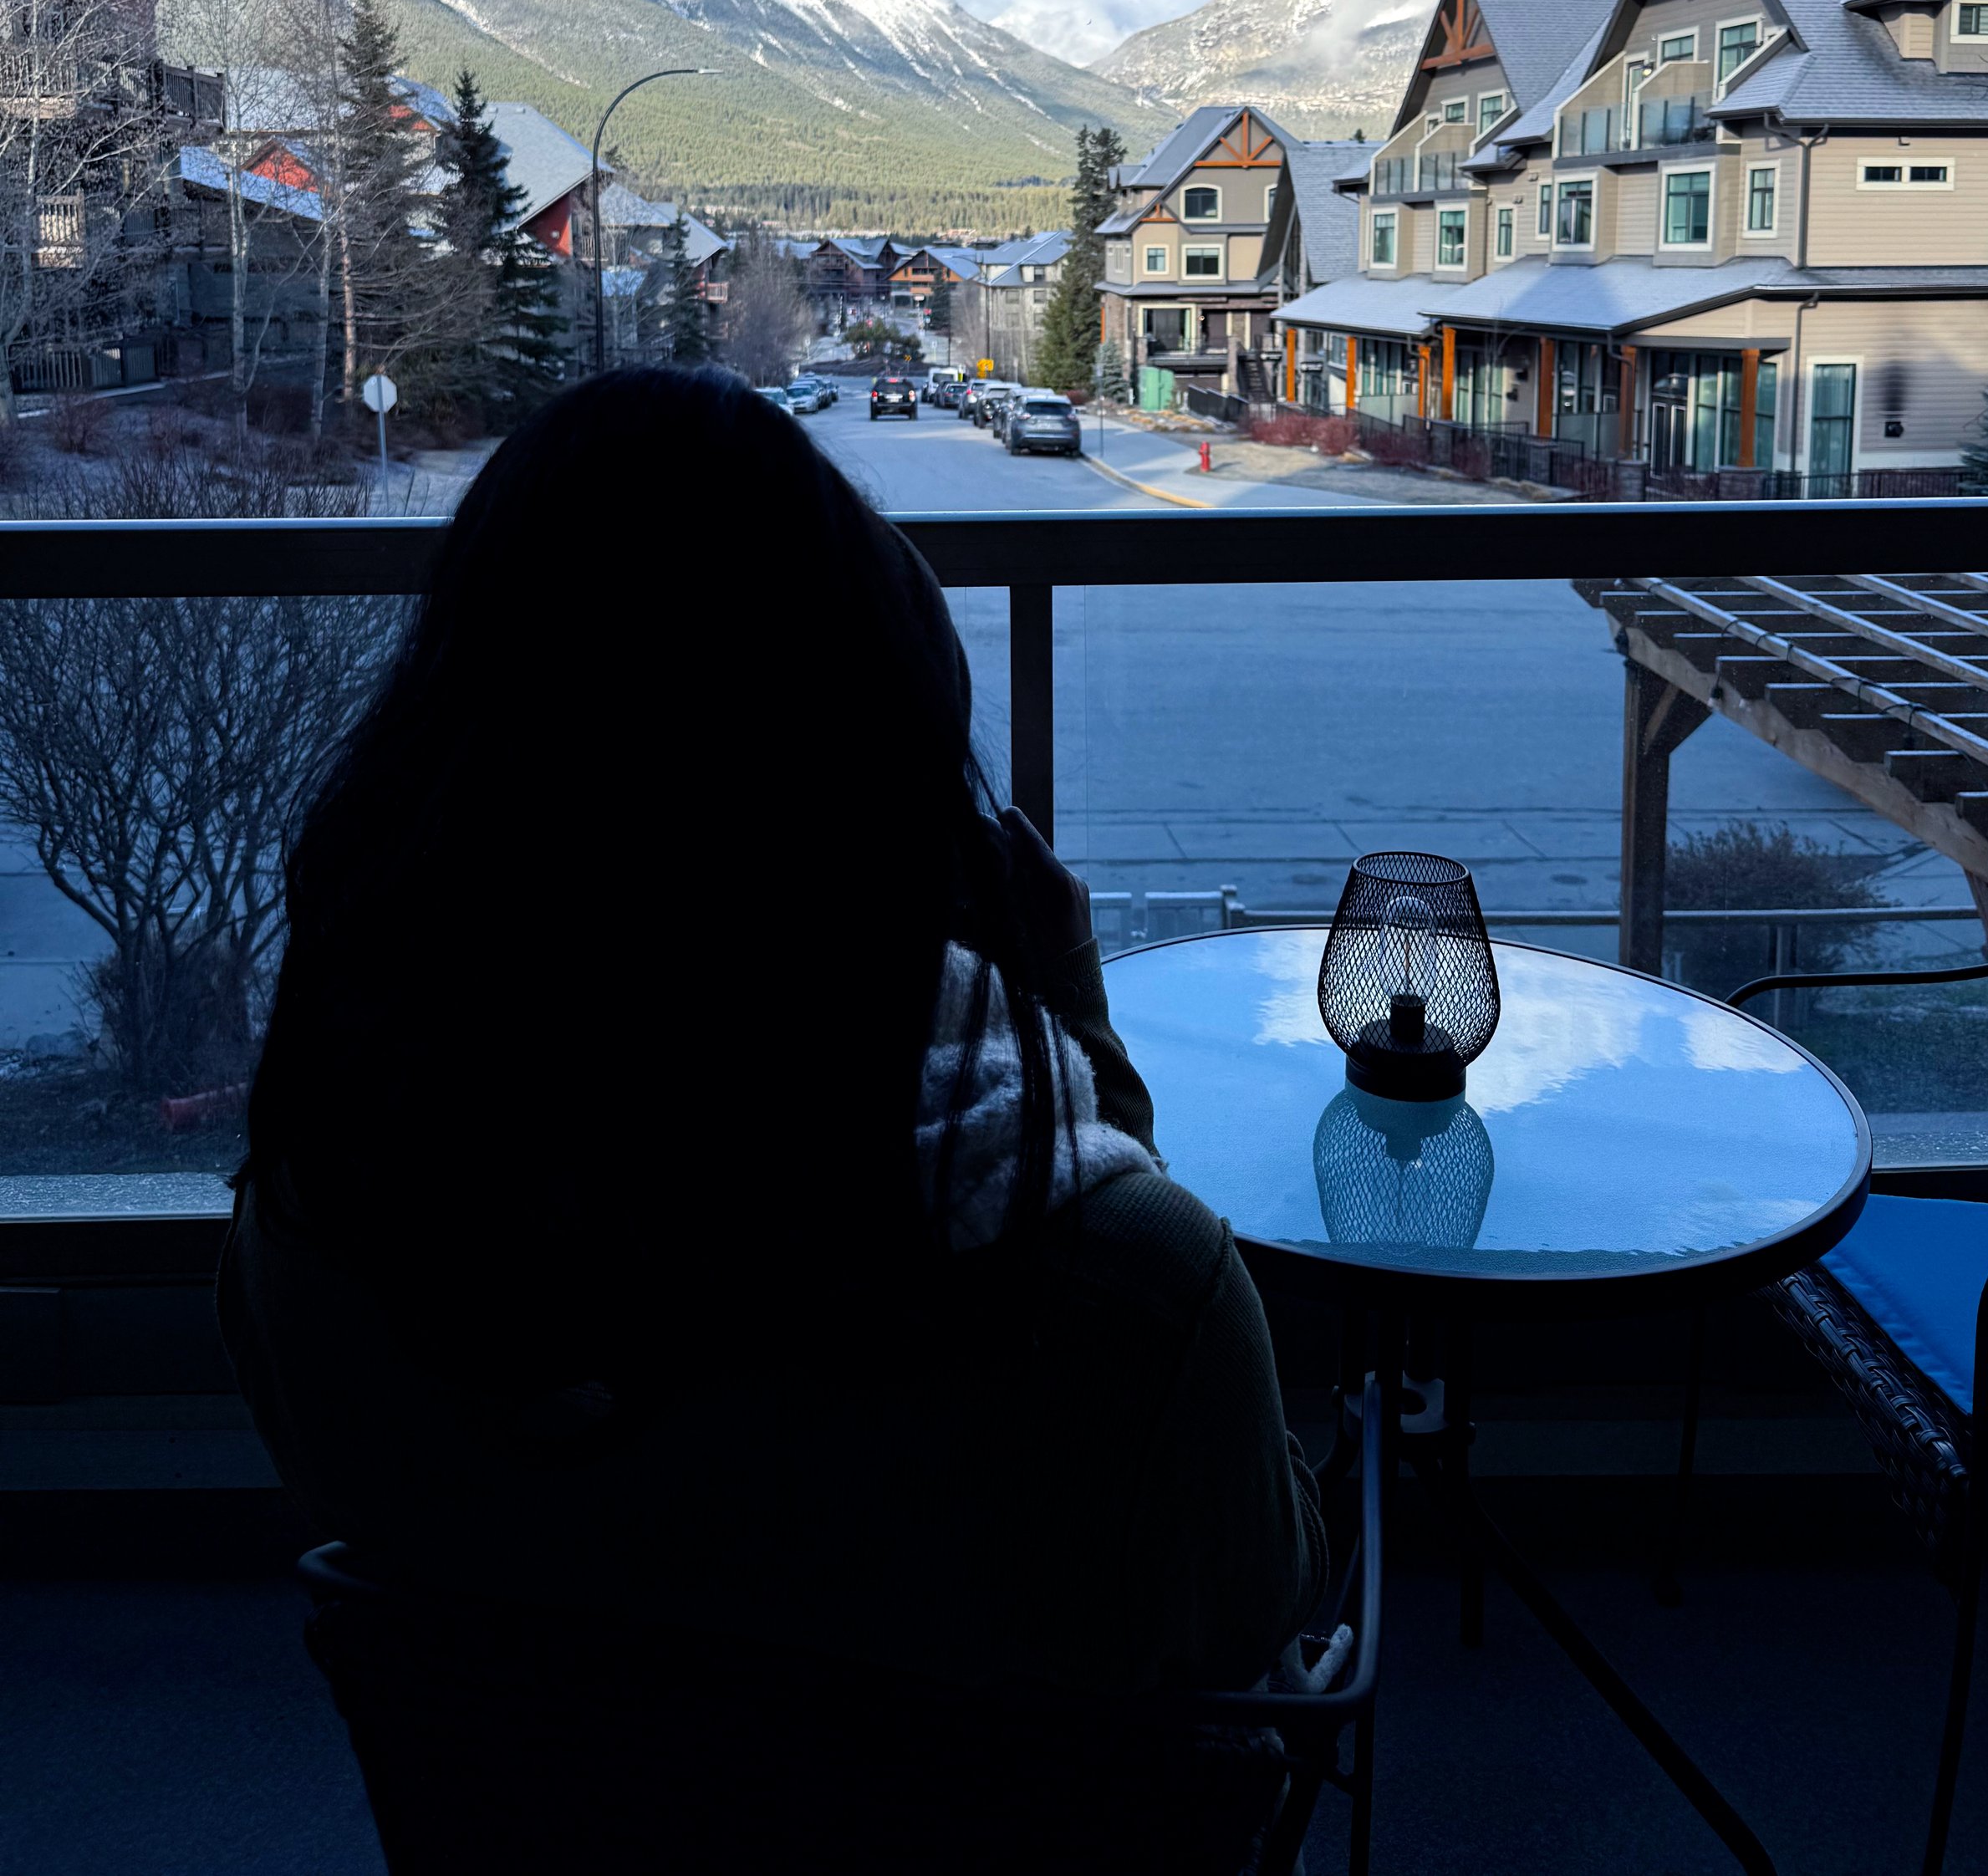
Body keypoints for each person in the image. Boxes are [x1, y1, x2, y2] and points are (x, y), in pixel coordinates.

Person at [222, 367, 1324, 1863]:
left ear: (447, 769)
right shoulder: (1126, 1303)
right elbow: (1251, 1609)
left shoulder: (326, 1224)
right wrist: (1073, 1029)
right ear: (900, 834)